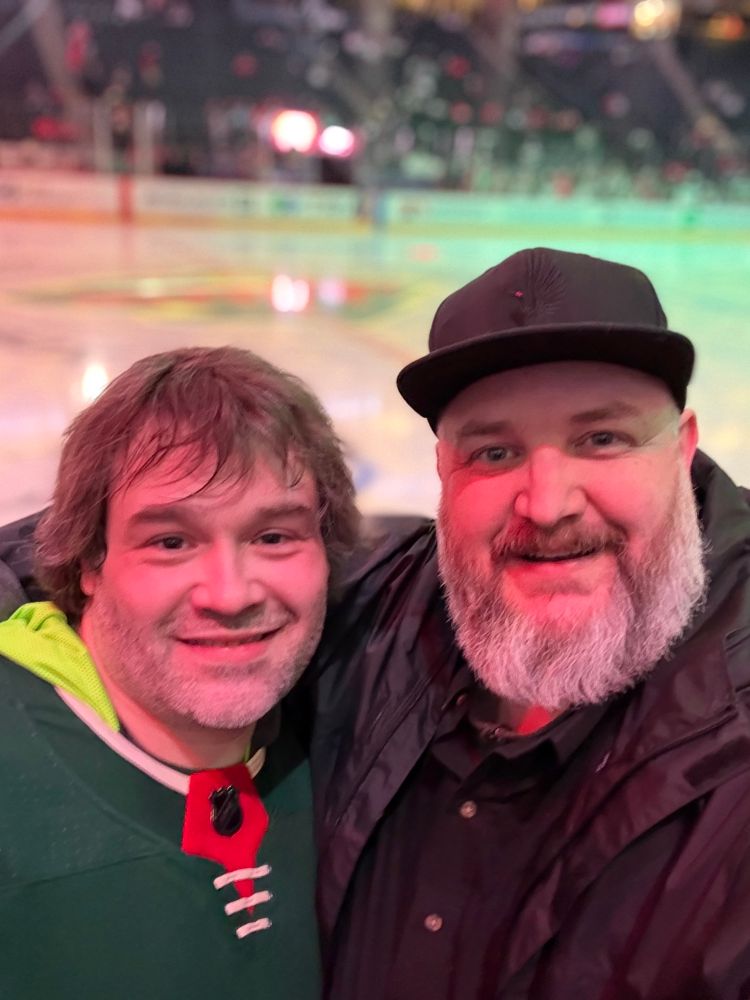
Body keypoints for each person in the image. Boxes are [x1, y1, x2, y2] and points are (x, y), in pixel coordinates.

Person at [307, 248, 750, 999]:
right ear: (445, 472)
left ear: (681, 448)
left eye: (601, 438)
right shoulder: (365, 607)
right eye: (496, 451)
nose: (546, 505)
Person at [0, 346, 358, 1000]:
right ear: (89, 561)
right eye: (171, 542)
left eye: (274, 536)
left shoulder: (343, 742)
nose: (230, 594)